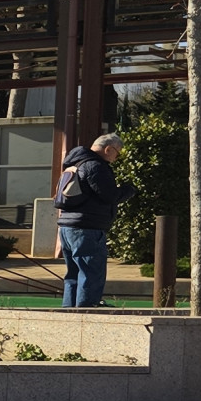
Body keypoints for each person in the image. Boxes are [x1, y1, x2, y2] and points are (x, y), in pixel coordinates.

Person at [56, 130, 124, 309]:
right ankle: (88, 311)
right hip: (87, 227)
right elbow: (109, 195)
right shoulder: (96, 165)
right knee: (91, 272)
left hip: (67, 227)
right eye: (117, 153)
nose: (116, 158)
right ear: (108, 149)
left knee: (73, 274)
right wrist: (128, 190)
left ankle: (69, 312)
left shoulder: (75, 163)